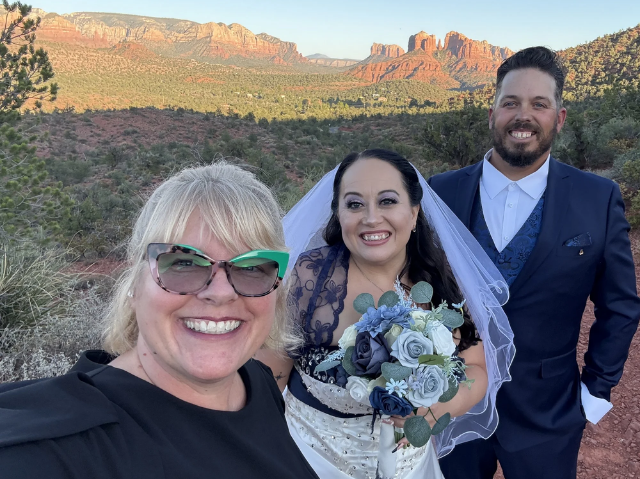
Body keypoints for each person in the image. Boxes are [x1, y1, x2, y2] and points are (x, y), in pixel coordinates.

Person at [0, 162, 320, 479]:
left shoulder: (255, 381)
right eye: (183, 263)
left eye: (252, 267)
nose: (221, 293)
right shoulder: (60, 450)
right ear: (135, 283)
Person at [430, 47, 640, 479]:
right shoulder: (440, 193)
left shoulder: (597, 198)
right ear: (492, 114)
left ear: (558, 119)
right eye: (511, 103)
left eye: (538, 104)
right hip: (450, 402)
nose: (523, 115)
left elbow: (620, 306)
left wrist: (595, 392)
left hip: (549, 412)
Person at [257, 149, 515, 479]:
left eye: (388, 201)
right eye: (354, 204)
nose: (371, 218)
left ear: (414, 212)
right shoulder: (310, 279)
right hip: (310, 462)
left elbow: (475, 368)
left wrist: (437, 409)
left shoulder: (439, 281)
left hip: (410, 468)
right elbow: (270, 377)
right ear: (338, 213)